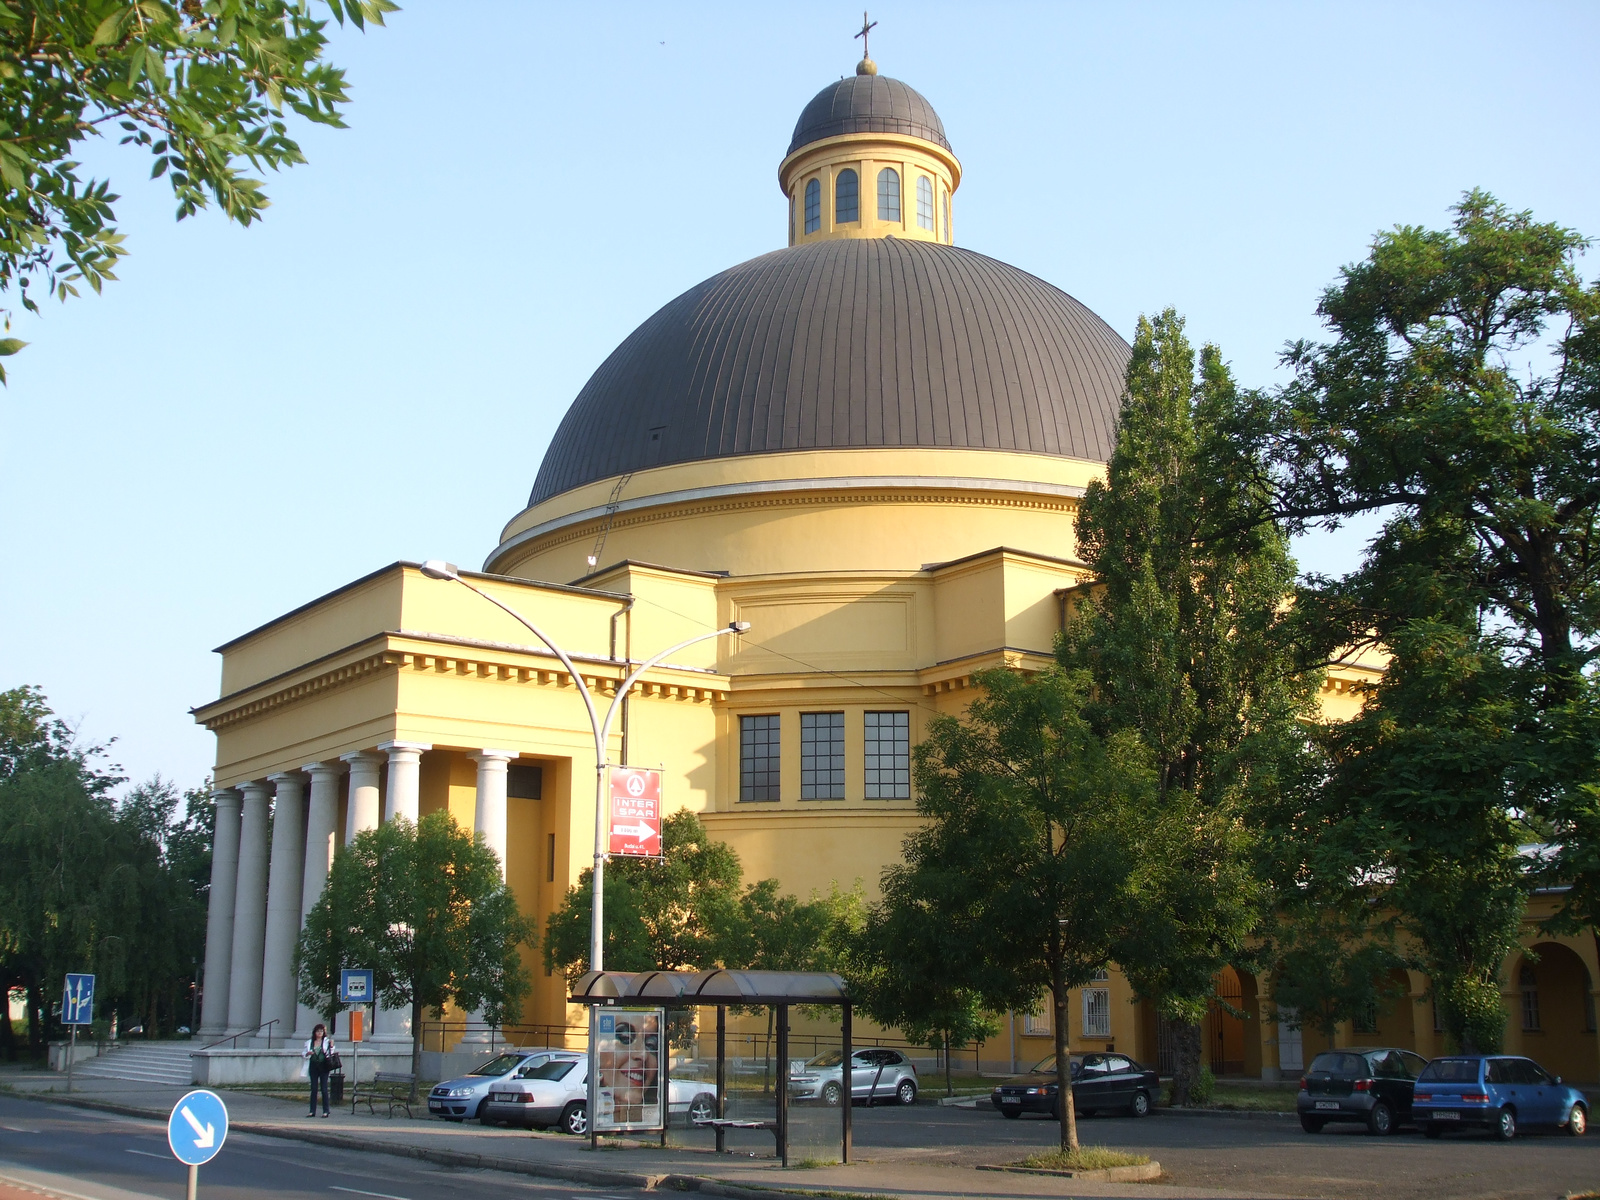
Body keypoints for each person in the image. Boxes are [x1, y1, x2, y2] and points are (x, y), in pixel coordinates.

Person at [302, 1023, 337, 1117]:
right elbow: (304, 1053)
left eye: (321, 1031)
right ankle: (312, 1111)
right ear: (315, 1032)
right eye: (318, 1031)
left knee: (324, 1089)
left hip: (324, 1066)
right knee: (314, 1089)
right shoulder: (310, 1042)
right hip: (313, 1066)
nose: (319, 1033)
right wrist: (308, 1054)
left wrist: (332, 1046)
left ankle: (326, 1111)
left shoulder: (326, 1042)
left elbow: (331, 1052)